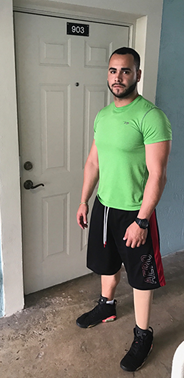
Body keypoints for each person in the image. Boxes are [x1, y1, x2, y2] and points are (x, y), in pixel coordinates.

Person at [76, 47, 172, 372]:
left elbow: (157, 175)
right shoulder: (103, 116)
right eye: (113, 71)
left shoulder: (151, 117)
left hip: (135, 212)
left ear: (137, 75)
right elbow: (93, 162)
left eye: (126, 71)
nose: (118, 77)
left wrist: (142, 220)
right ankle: (106, 306)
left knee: (142, 277)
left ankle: (143, 334)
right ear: (108, 74)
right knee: (106, 265)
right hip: (104, 207)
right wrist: (84, 200)